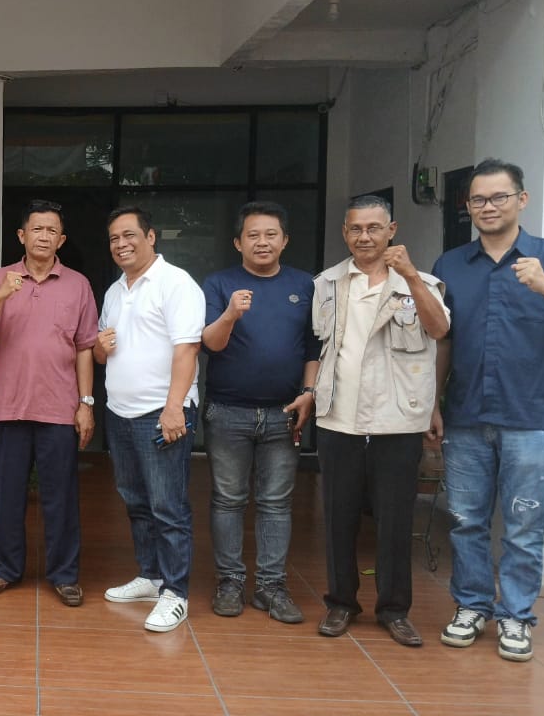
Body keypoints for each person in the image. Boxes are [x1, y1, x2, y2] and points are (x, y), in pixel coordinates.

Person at [430, 159, 544, 662]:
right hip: (465, 415)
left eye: (498, 197)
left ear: (522, 199)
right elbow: (443, 339)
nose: (488, 207)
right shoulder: (450, 265)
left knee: (523, 525)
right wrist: (433, 403)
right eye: (478, 199)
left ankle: (516, 615)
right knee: (466, 521)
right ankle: (472, 606)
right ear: (468, 206)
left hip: (531, 417)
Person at [312, 195, 449, 648]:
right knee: (339, 518)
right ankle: (340, 603)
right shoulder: (327, 283)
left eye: (374, 228)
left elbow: (439, 329)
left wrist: (410, 276)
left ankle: (394, 609)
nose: (364, 236)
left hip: (397, 419)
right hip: (339, 418)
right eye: (355, 228)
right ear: (345, 233)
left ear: (392, 230)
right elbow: (321, 345)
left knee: (394, 520)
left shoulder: (423, 282)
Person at [0, 199, 97, 607]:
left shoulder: (78, 285)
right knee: (8, 495)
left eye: (51, 230)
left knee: (61, 496)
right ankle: (5, 569)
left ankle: (64, 574)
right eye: (36, 229)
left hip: (60, 407)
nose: (44, 236)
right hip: (11, 406)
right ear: (21, 236)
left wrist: (86, 403)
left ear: (62, 239)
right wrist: (1, 297)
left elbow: (85, 347)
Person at [201, 201, 319, 625]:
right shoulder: (219, 284)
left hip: (283, 412)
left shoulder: (305, 285)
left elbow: (313, 347)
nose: (262, 242)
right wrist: (231, 314)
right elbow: (210, 343)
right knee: (228, 500)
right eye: (253, 235)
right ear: (238, 243)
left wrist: (309, 392)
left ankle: (271, 586)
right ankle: (230, 582)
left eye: (271, 234)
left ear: (285, 240)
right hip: (227, 411)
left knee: (276, 503)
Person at [94, 206, 204, 630]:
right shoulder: (115, 291)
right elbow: (102, 352)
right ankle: (151, 575)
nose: (121, 244)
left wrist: (174, 407)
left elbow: (187, 349)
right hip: (120, 413)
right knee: (136, 500)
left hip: (161, 413)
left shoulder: (176, 283)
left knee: (167, 506)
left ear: (151, 236)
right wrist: (100, 347)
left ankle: (175, 593)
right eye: (114, 239)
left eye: (129, 235)